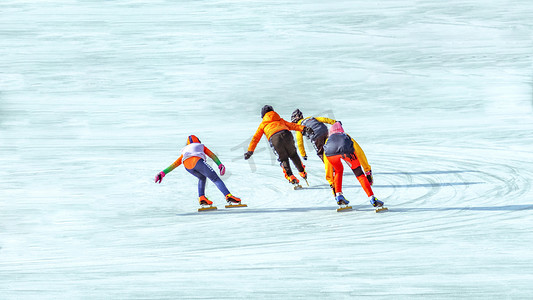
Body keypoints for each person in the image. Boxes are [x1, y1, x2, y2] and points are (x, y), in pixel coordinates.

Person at [291, 109, 374, 186]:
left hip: (316, 138)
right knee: (332, 146)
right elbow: (324, 119)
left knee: (322, 153)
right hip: (326, 131)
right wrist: (335, 122)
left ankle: (333, 170)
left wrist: (303, 154)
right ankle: (367, 170)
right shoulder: (311, 118)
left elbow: (300, 142)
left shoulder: (299, 126)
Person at [155, 135, 242, 206]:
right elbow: (212, 155)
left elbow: (175, 163)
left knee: (202, 178)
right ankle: (228, 196)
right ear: (198, 141)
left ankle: (202, 198)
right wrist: (220, 164)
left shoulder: (185, 150)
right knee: (215, 179)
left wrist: (163, 173)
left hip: (187, 166)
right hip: (197, 162)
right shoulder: (200, 146)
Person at [244, 105, 313, 186]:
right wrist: (304, 128)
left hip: (275, 139)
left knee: (283, 159)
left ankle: (291, 176)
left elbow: (255, 138)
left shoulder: (263, 124)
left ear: (263, 115)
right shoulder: (280, 120)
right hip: (286, 135)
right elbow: (293, 125)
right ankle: (302, 172)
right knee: (293, 154)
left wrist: (250, 151)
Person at [323, 122, 383, 207]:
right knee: (359, 174)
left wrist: (331, 182)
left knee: (338, 170)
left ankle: (339, 195)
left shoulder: (328, 140)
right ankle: (372, 198)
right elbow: (359, 152)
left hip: (330, 154)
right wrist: (367, 170)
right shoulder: (345, 136)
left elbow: (327, 162)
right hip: (347, 151)